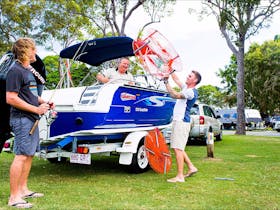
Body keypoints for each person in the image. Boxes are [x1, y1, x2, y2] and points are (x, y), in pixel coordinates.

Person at [6, 38, 54, 208]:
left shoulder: (28, 70)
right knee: (21, 155)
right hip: (22, 119)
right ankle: (14, 197)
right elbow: (11, 98)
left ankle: (23, 190)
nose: (36, 52)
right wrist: (36, 110)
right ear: (26, 51)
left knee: (29, 154)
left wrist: (43, 102)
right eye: (34, 49)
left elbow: (31, 95)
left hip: (31, 118)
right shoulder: (15, 70)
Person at [164, 70, 201, 183]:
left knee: (177, 148)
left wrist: (166, 81)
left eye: (190, 76)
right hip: (179, 121)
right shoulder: (186, 87)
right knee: (178, 146)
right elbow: (176, 79)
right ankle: (191, 167)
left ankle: (180, 176)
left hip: (182, 122)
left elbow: (175, 95)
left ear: (195, 80)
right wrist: (170, 69)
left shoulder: (191, 92)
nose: (187, 76)